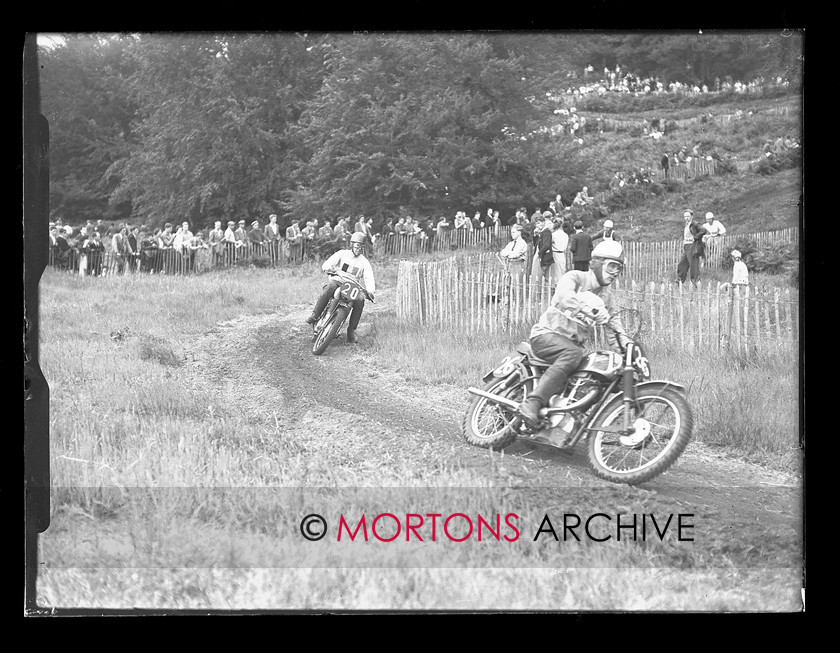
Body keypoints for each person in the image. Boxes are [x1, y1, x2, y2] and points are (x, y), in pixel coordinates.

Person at [518, 240, 632, 430]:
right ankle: (532, 402)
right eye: (611, 266)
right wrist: (592, 311)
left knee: (595, 374)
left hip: (570, 347)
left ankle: (565, 419)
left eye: (618, 268)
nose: (615, 272)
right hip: (546, 335)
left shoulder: (607, 297)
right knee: (574, 354)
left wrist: (628, 349)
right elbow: (565, 296)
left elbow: (614, 329)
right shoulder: (575, 277)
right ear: (597, 262)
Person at [305, 231, 376, 344]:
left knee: (360, 300)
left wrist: (371, 291)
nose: (359, 249)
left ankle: (351, 332)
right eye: (357, 246)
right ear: (352, 244)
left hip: (352, 286)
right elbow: (328, 263)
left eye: (361, 247)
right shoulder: (342, 254)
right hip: (338, 280)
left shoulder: (364, 262)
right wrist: (328, 268)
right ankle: (315, 315)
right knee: (330, 287)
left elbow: (369, 276)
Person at [676, 209, 705, 285]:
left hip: (692, 246)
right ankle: (680, 281)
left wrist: (695, 238)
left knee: (693, 265)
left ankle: (696, 282)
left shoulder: (695, 224)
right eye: (685, 216)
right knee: (682, 264)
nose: (686, 218)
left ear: (692, 216)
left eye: (688, 216)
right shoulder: (686, 225)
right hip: (686, 246)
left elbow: (703, 230)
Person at [550, 217, 569, 284]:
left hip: (555, 254)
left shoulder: (553, 235)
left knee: (555, 273)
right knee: (561, 271)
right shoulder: (565, 235)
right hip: (562, 255)